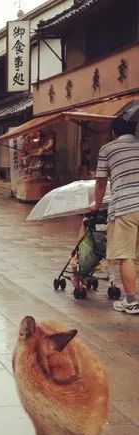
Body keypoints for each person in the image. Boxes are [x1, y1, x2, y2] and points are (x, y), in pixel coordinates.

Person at [94, 117, 139, 315]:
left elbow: (101, 183)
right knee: (137, 256)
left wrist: (96, 207)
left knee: (126, 256)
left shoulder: (107, 149)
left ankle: (130, 301)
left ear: (113, 132)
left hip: (125, 207)